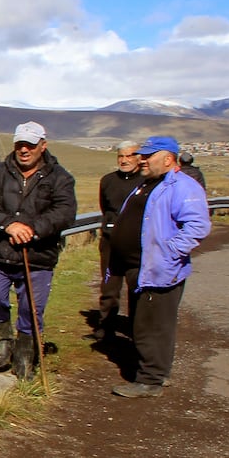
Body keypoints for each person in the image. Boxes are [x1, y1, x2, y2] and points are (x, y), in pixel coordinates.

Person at [109, 136, 211, 398]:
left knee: (150, 326)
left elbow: (197, 227)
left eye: (148, 156)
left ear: (167, 159)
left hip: (159, 269)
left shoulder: (183, 187)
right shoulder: (150, 184)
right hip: (141, 268)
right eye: (141, 155)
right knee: (147, 323)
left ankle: (149, 380)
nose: (141, 159)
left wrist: (168, 252)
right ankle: (157, 373)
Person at [0, 121, 77, 379]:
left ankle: (24, 358)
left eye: (30, 145)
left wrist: (31, 229)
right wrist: (8, 224)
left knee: (31, 309)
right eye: (20, 144)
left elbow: (65, 212)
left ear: (43, 146)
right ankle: (5, 340)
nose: (24, 150)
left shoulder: (61, 177)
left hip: (37, 255)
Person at [96, 141, 143, 340]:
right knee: (109, 287)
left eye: (129, 156)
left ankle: (136, 330)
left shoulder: (146, 182)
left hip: (136, 244)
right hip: (110, 242)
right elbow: (105, 207)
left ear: (139, 158)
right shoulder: (108, 180)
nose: (124, 160)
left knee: (137, 287)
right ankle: (105, 328)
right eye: (120, 156)